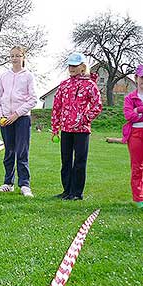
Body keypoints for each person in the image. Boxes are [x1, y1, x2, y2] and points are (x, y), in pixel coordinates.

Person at [51, 52, 102, 200]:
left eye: (75, 65)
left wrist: (85, 118)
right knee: (65, 161)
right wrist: (55, 128)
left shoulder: (90, 85)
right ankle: (67, 190)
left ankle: (77, 193)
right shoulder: (64, 85)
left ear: (82, 67)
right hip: (66, 129)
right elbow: (57, 106)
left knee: (79, 161)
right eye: (70, 65)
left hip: (82, 130)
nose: (72, 68)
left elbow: (97, 105)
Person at [0, 45, 37, 197]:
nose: (14, 59)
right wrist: (0, 116)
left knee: (22, 152)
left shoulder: (28, 76)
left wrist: (17, 114)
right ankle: (8, 183)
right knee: (9, 151)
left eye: (18, 56)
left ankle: (24, 184)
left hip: (22, 118)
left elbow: (33, 100)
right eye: (12, 56)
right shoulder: (4, 76)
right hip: (5, 119)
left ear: (23, 57)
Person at [122, 64, 143, 208]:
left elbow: (135, 114)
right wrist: (135, 112)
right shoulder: (130, 97)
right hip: (135, 135)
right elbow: (129, 115)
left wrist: (139, 110)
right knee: (137, 167)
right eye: (142, 77)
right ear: (136, 78)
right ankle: (139, 198)